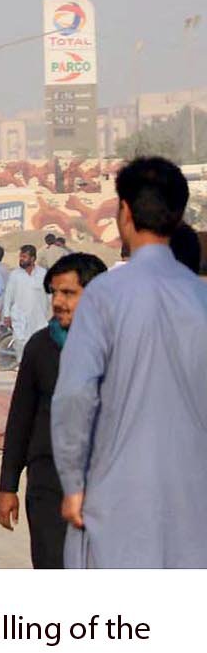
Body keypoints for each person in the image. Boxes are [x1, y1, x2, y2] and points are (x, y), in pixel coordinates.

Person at [52, 157, 207, 567]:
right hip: (194, 504)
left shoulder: (105, 296)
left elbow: (74, 397)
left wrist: (73, 483)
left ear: (124, 212)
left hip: (115, 501)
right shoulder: (200, 299)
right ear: (178, 215)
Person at [0, 251, 107, 569]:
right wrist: (8, 486)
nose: (58, 302)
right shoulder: (41, 347)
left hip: (105, 487)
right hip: (48, 484)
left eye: (69, 293)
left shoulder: (121, 347)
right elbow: (20, 419)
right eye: (54, 293)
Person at [0, 244, 49, 364]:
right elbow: (8, 296)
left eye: (24, 256)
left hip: (39, 318)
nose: (21, 259)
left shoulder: (43, 274)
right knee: (20, 342)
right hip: (19, 316)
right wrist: (6, 315)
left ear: (32, 259)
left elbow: (51, 295)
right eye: (20, 256)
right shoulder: (15, 275)